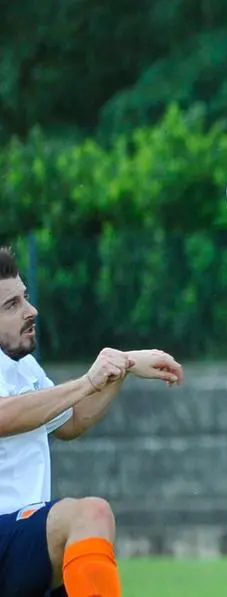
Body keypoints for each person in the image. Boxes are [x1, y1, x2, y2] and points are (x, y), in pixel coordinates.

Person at [0, 246, 184, 597]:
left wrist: (122, 366)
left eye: (25, 298)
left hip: (16, 536)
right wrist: (87, 381)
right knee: (89, 517)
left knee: (82, 549)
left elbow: (70, 422)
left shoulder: (22, 364)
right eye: (12, 306)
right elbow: (4, 416)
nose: (30, 310)